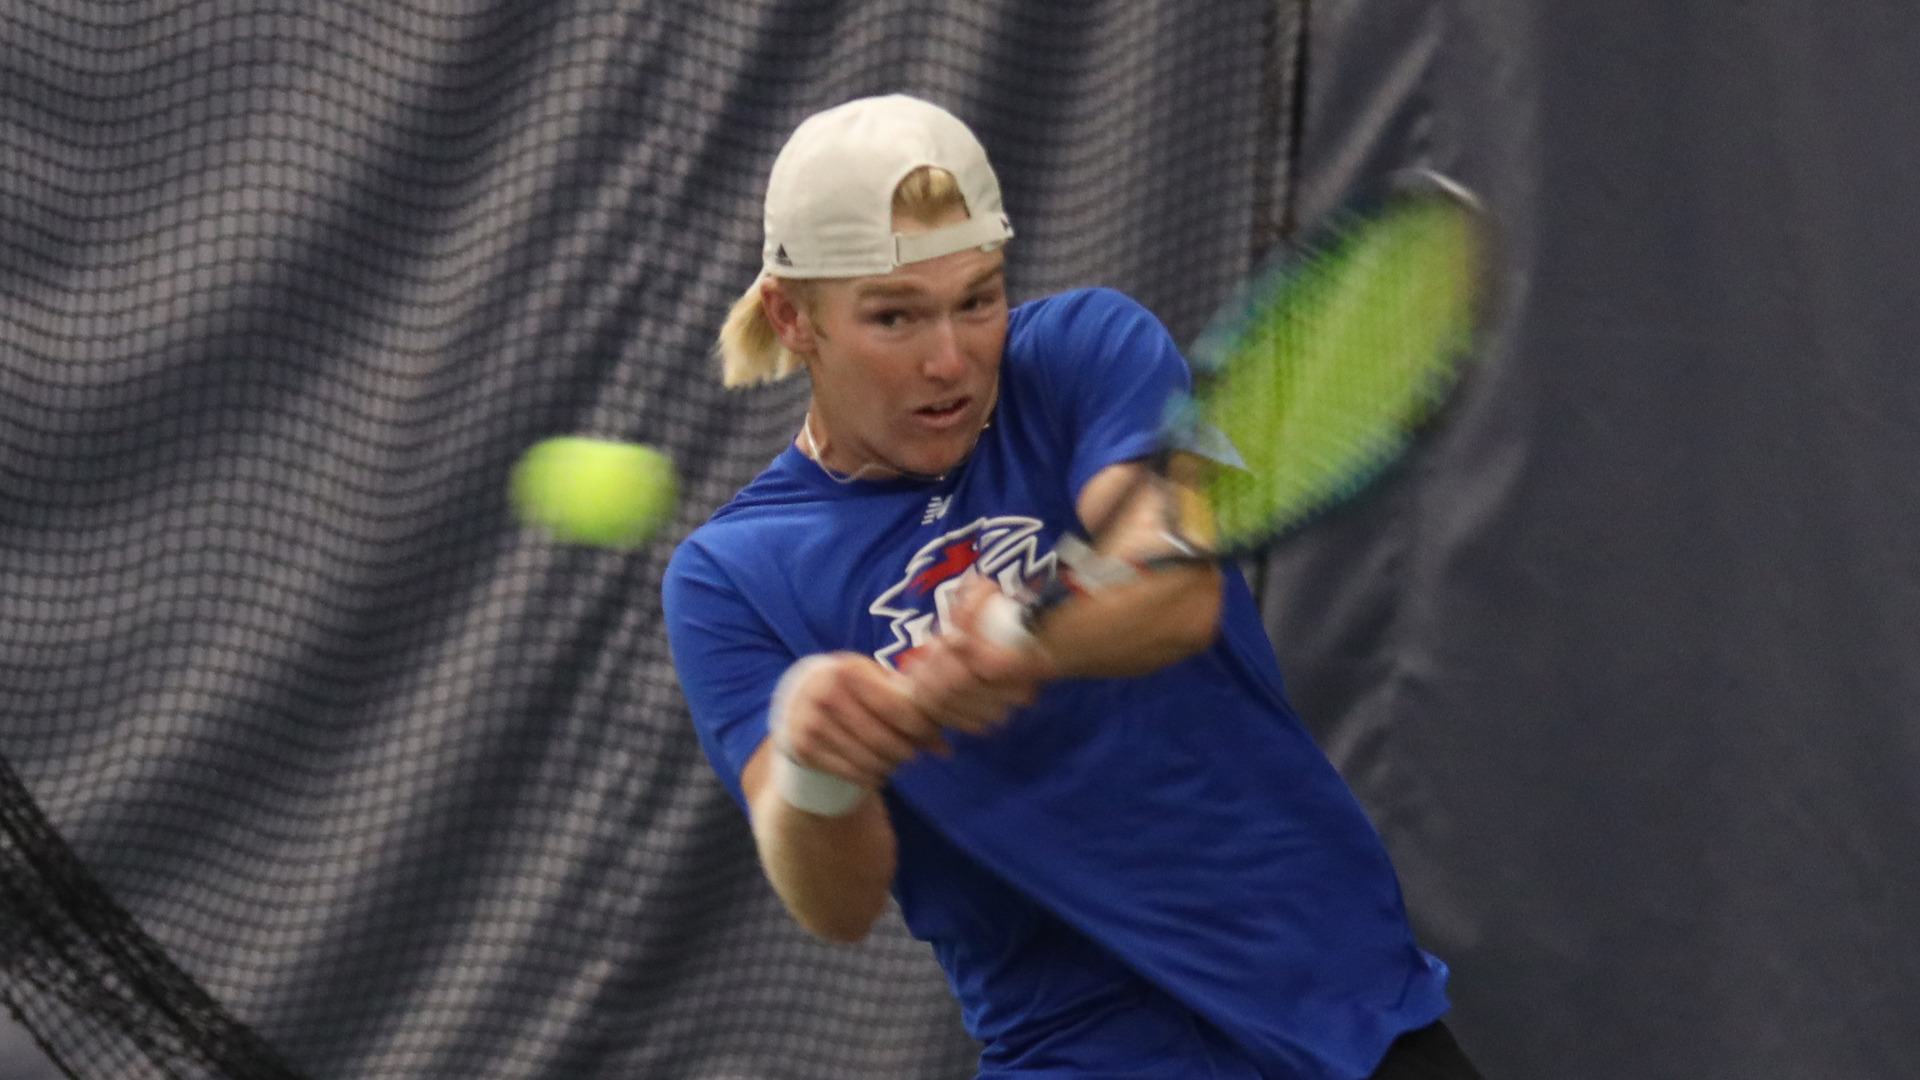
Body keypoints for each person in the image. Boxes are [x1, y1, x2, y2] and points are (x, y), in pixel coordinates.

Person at [662, 94, 1482, 1080]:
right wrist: (815, 762)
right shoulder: (729, 577)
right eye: (893, 316)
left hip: (1344, 999)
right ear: (795, 317)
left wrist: (1022, 639)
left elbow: (1174, 588)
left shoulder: (1081, 350)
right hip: (1083, 1053)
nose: (950, 358)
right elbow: (832, 905)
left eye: (977, 298)